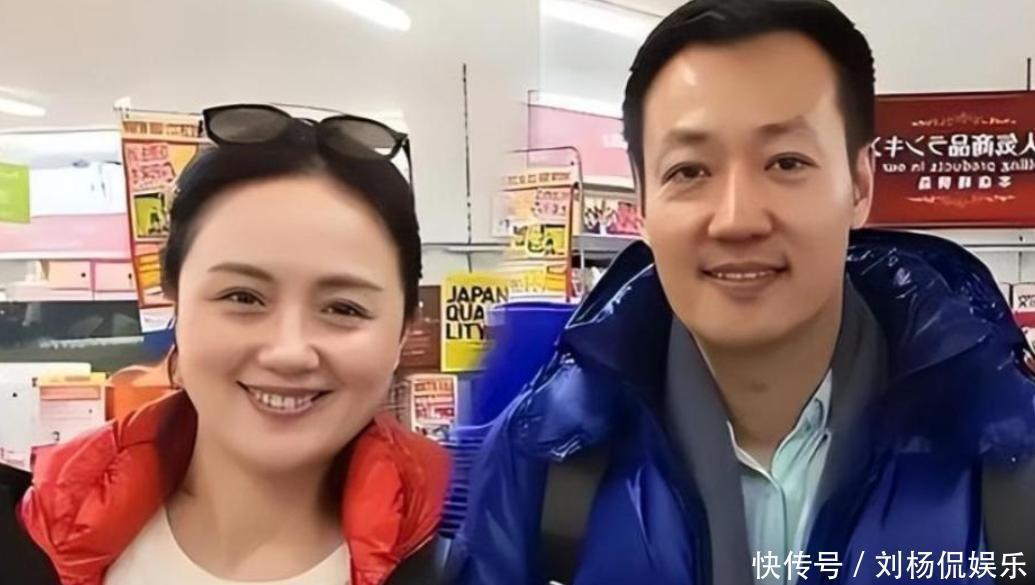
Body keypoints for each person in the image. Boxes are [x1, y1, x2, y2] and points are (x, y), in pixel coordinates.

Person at [451, 1, 1035, 584]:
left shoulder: (1006, 447)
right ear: (643, 202)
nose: (736, 219)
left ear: (859, 184)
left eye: (786, 162)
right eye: (689, 171)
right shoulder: (548, 453)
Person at [0, 104, 449, 585]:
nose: (288, 351)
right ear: (174, 299)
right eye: (242, 297)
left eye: (344, 308)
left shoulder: (469, 555)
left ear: (404, 332)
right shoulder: (30, 544)